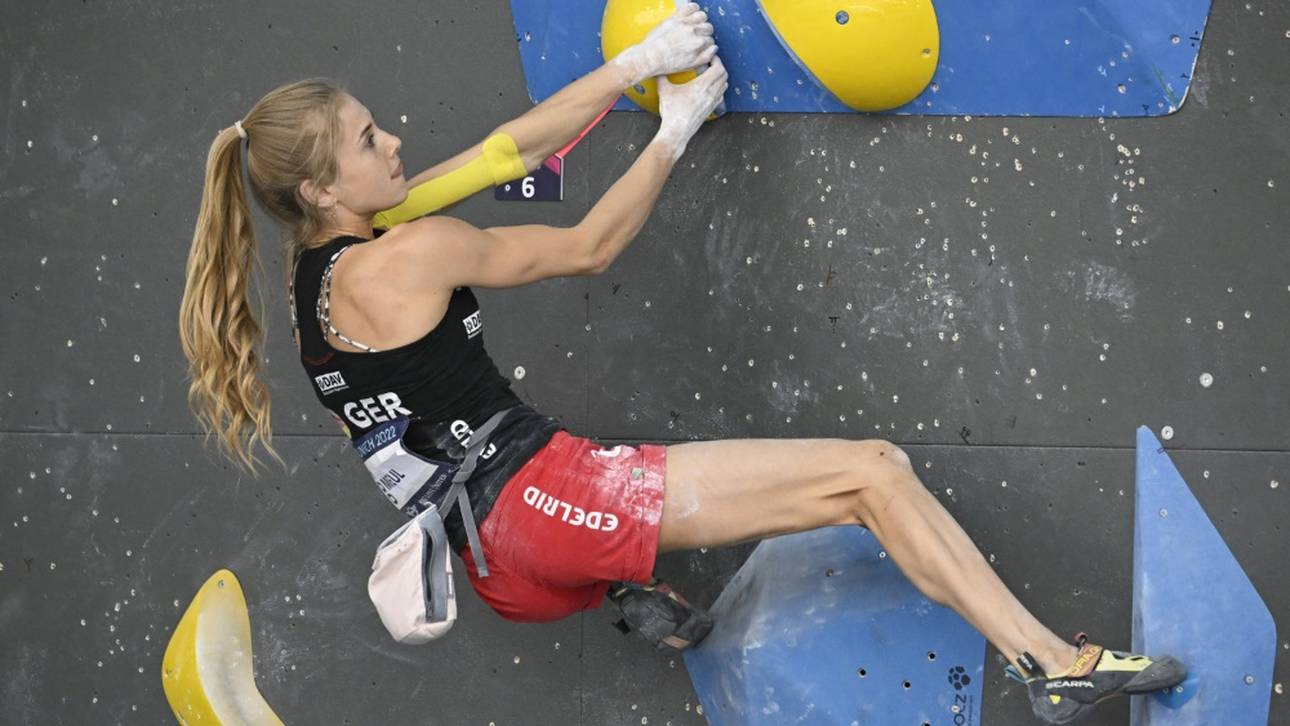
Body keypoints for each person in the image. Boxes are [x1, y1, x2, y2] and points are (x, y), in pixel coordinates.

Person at [178, 5, 1184, 723]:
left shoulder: (319, 272)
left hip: (490, 557)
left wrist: (629, 68)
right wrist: (676, 125)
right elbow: (585, 248)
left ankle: (636, 597)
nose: (392, 138)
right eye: (366, 138)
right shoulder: (405, 255)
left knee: (685, 505)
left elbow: (498, 154)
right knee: (871, 473)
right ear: (319, 186)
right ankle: (1052, 664)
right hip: (539, 503)